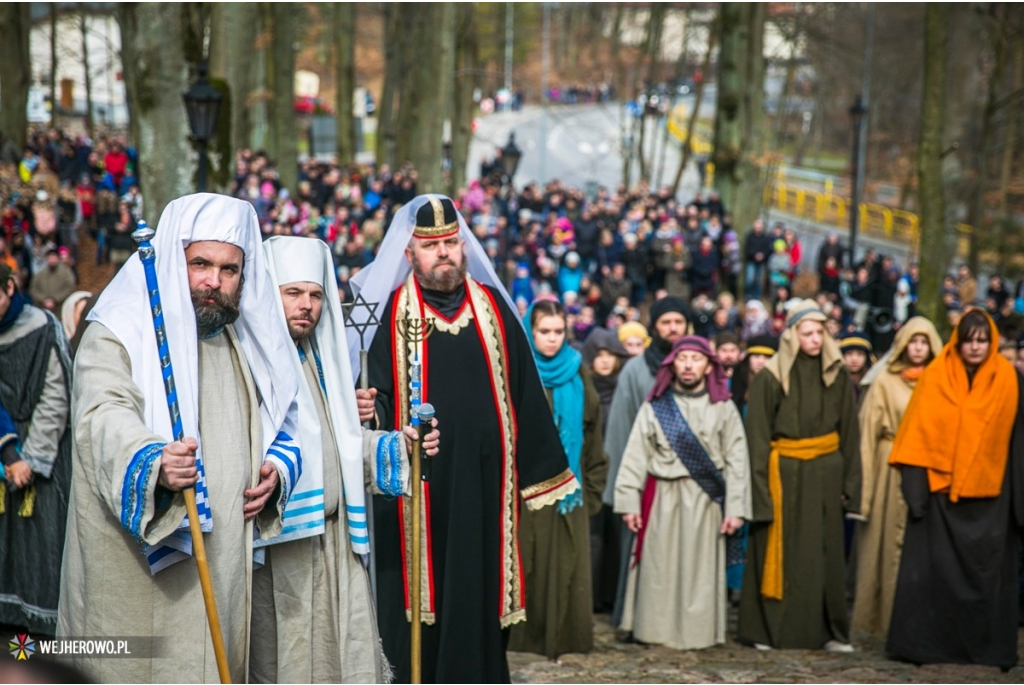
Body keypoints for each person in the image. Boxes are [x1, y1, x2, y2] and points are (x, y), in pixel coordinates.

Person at [58, 194, 302, 682]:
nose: (214, 281)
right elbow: (101, 414)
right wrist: (153, 463)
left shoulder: (243, 339)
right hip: (136, 572)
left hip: (225, 560)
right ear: (174, 258)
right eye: (200, 264)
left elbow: (283, 416)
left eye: (229, 269)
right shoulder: (118, 328)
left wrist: (275, 465)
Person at [350, 195, 579, 683]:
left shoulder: (494, 308)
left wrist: (543, 471)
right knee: (413, 609)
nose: (445, 253)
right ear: (409, 252)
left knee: (479, 593)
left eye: (452, 242)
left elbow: (524, 391)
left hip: (484, 491)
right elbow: (380, 400)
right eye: (432, 246)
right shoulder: (388, 315)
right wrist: (372, 409)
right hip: (415, 495)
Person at [254, 235, 440, 682]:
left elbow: (342, 452)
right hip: (280, 547)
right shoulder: (251, 360)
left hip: (334, 543)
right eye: (293, 292)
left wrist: (401, 447)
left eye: (316, 295)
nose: (307, 305)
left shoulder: (321, 362)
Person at [886, 309, 1024, 670]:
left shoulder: (1009, 379)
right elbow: (917, 431)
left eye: (982, 341)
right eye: (969, 340)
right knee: (933, 577)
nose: (976, 348)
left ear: (991, 342)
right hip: (939, 495)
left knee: (987, 578)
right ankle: (925, 647)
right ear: (958, 341)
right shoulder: (935, 377)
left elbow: (1018, 440)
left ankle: (987, 649)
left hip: (992, 496)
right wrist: (915, 493)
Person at [737, 299, 861, 652]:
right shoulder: (770, 377)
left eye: (820, 332)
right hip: (783, 475)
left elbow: (850, 433)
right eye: (807, 333)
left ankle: (829, 632)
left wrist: (851, 484)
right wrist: (759, 491)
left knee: (824, 554)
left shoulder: (837, 375)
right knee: (779, 552)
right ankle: (768, 631)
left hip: (825, 475)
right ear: (792, 335)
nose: (815, 340)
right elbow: (758, 438)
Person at [615, 336, 751, 650]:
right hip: (661, 498)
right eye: (682, 358)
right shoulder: (655, 406)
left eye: (696, 358)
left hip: (705, 503)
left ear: (708, 365)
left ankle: (697, 634)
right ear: (672, 364)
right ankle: (654, 630)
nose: (688, 365)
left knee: (699, 573)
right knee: (658, 570)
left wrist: (735, 509)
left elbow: (737, 461)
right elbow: (635, 454)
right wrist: (628, 502)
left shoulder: (724, 407)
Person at [509, 299, 608, 658]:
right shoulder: (518, 369)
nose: (551, 339)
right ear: (530, 332)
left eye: (557, 332)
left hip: (572, 491)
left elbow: (593, 432)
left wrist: (591, 490)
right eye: (543, 332)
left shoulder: (576, 371)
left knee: (568, 566)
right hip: (527, 491)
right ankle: (527, 640)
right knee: (528, 562)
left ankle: (567, 639)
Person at [850, 317, 942, 638]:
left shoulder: (942, 380)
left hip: (930, 468)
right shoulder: (885, 383)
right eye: (912, 341)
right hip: (891, 467)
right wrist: (865, 486)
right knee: (884, 546)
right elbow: (866, 435)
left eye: (923, 342)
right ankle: (879, 622)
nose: (918, 348)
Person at [603, 297, 691, 625]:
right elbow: (620, 431)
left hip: (689, 478)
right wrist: (621, 489)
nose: (672, 328)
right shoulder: (636, 369)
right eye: (666, 322)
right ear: (655, 326)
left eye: (678, 322)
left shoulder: (697, 364)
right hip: (645, 478)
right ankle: (635, 618)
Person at [0, 263, 72, 634]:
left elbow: (55, 396)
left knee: (39, 550)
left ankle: (38, 640)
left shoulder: (43, 327)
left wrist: (31, 458)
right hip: (4, 449)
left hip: (41, 453)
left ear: (9, 288)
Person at [839, 330, 874, 400]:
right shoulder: (835, 380)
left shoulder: (874, 381)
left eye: (860, 354)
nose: (854, 359)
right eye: (849, 353)